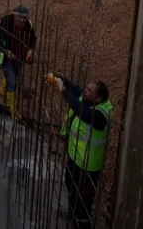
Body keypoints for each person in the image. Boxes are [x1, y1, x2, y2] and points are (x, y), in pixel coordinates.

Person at [45, 75, 112, 229]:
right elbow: (74, 88)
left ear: (99, 97)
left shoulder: (102, 115)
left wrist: (63, 90)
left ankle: (81, 224)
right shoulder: (87, 98)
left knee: (83, 201)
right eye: (86, 88)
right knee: (70, 185)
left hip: (88, 166)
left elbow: (82, 112)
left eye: (89, 90)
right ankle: (72, 212)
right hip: (75, 158)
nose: (85, 92)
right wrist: (57, 78)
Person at [0, 4, 35, 119]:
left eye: (24, 18)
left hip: (20, 57)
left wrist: (30, 50)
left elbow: (32, 39)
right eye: (19, 18)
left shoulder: (29, 26)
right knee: (12, 82)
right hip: (6, 59)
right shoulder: (5, 24)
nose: (22, 20)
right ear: (14, 17)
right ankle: (13, 111)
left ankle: (2, 89)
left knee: (15, 75)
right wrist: (6, 51)